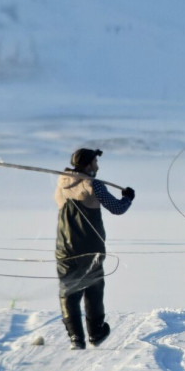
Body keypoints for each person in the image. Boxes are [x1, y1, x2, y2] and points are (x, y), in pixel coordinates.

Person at [54, 147, 134, 349]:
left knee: (68, 290)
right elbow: (117, 208)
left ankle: (75, 337)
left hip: (64, 248)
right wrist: (128, 197)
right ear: (88, 165)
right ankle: (96, 333)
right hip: (91, 249)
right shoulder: (93, 185)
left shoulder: (61, 182)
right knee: (93, 289)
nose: (98, 166)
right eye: (95, 163)